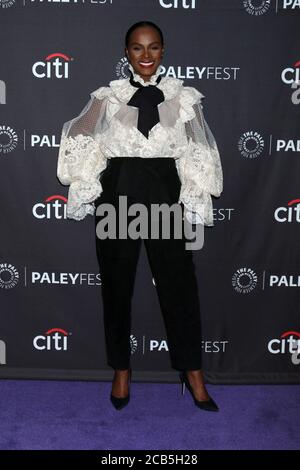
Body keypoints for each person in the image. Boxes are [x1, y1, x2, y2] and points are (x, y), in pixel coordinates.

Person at [57, 21, 223, 412]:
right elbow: (81, 136)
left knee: (180, 286)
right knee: (116, 285)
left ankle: (192, 371)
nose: (145, 56)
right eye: (137, 48)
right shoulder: (108, 97)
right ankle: (121, 370)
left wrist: (195, 191)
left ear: (163, 51)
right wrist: (87, 173)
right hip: (119, 194)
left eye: (153, 48)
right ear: (126, 53)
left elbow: (200, 147)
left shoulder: (183, 97)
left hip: (166, 195)